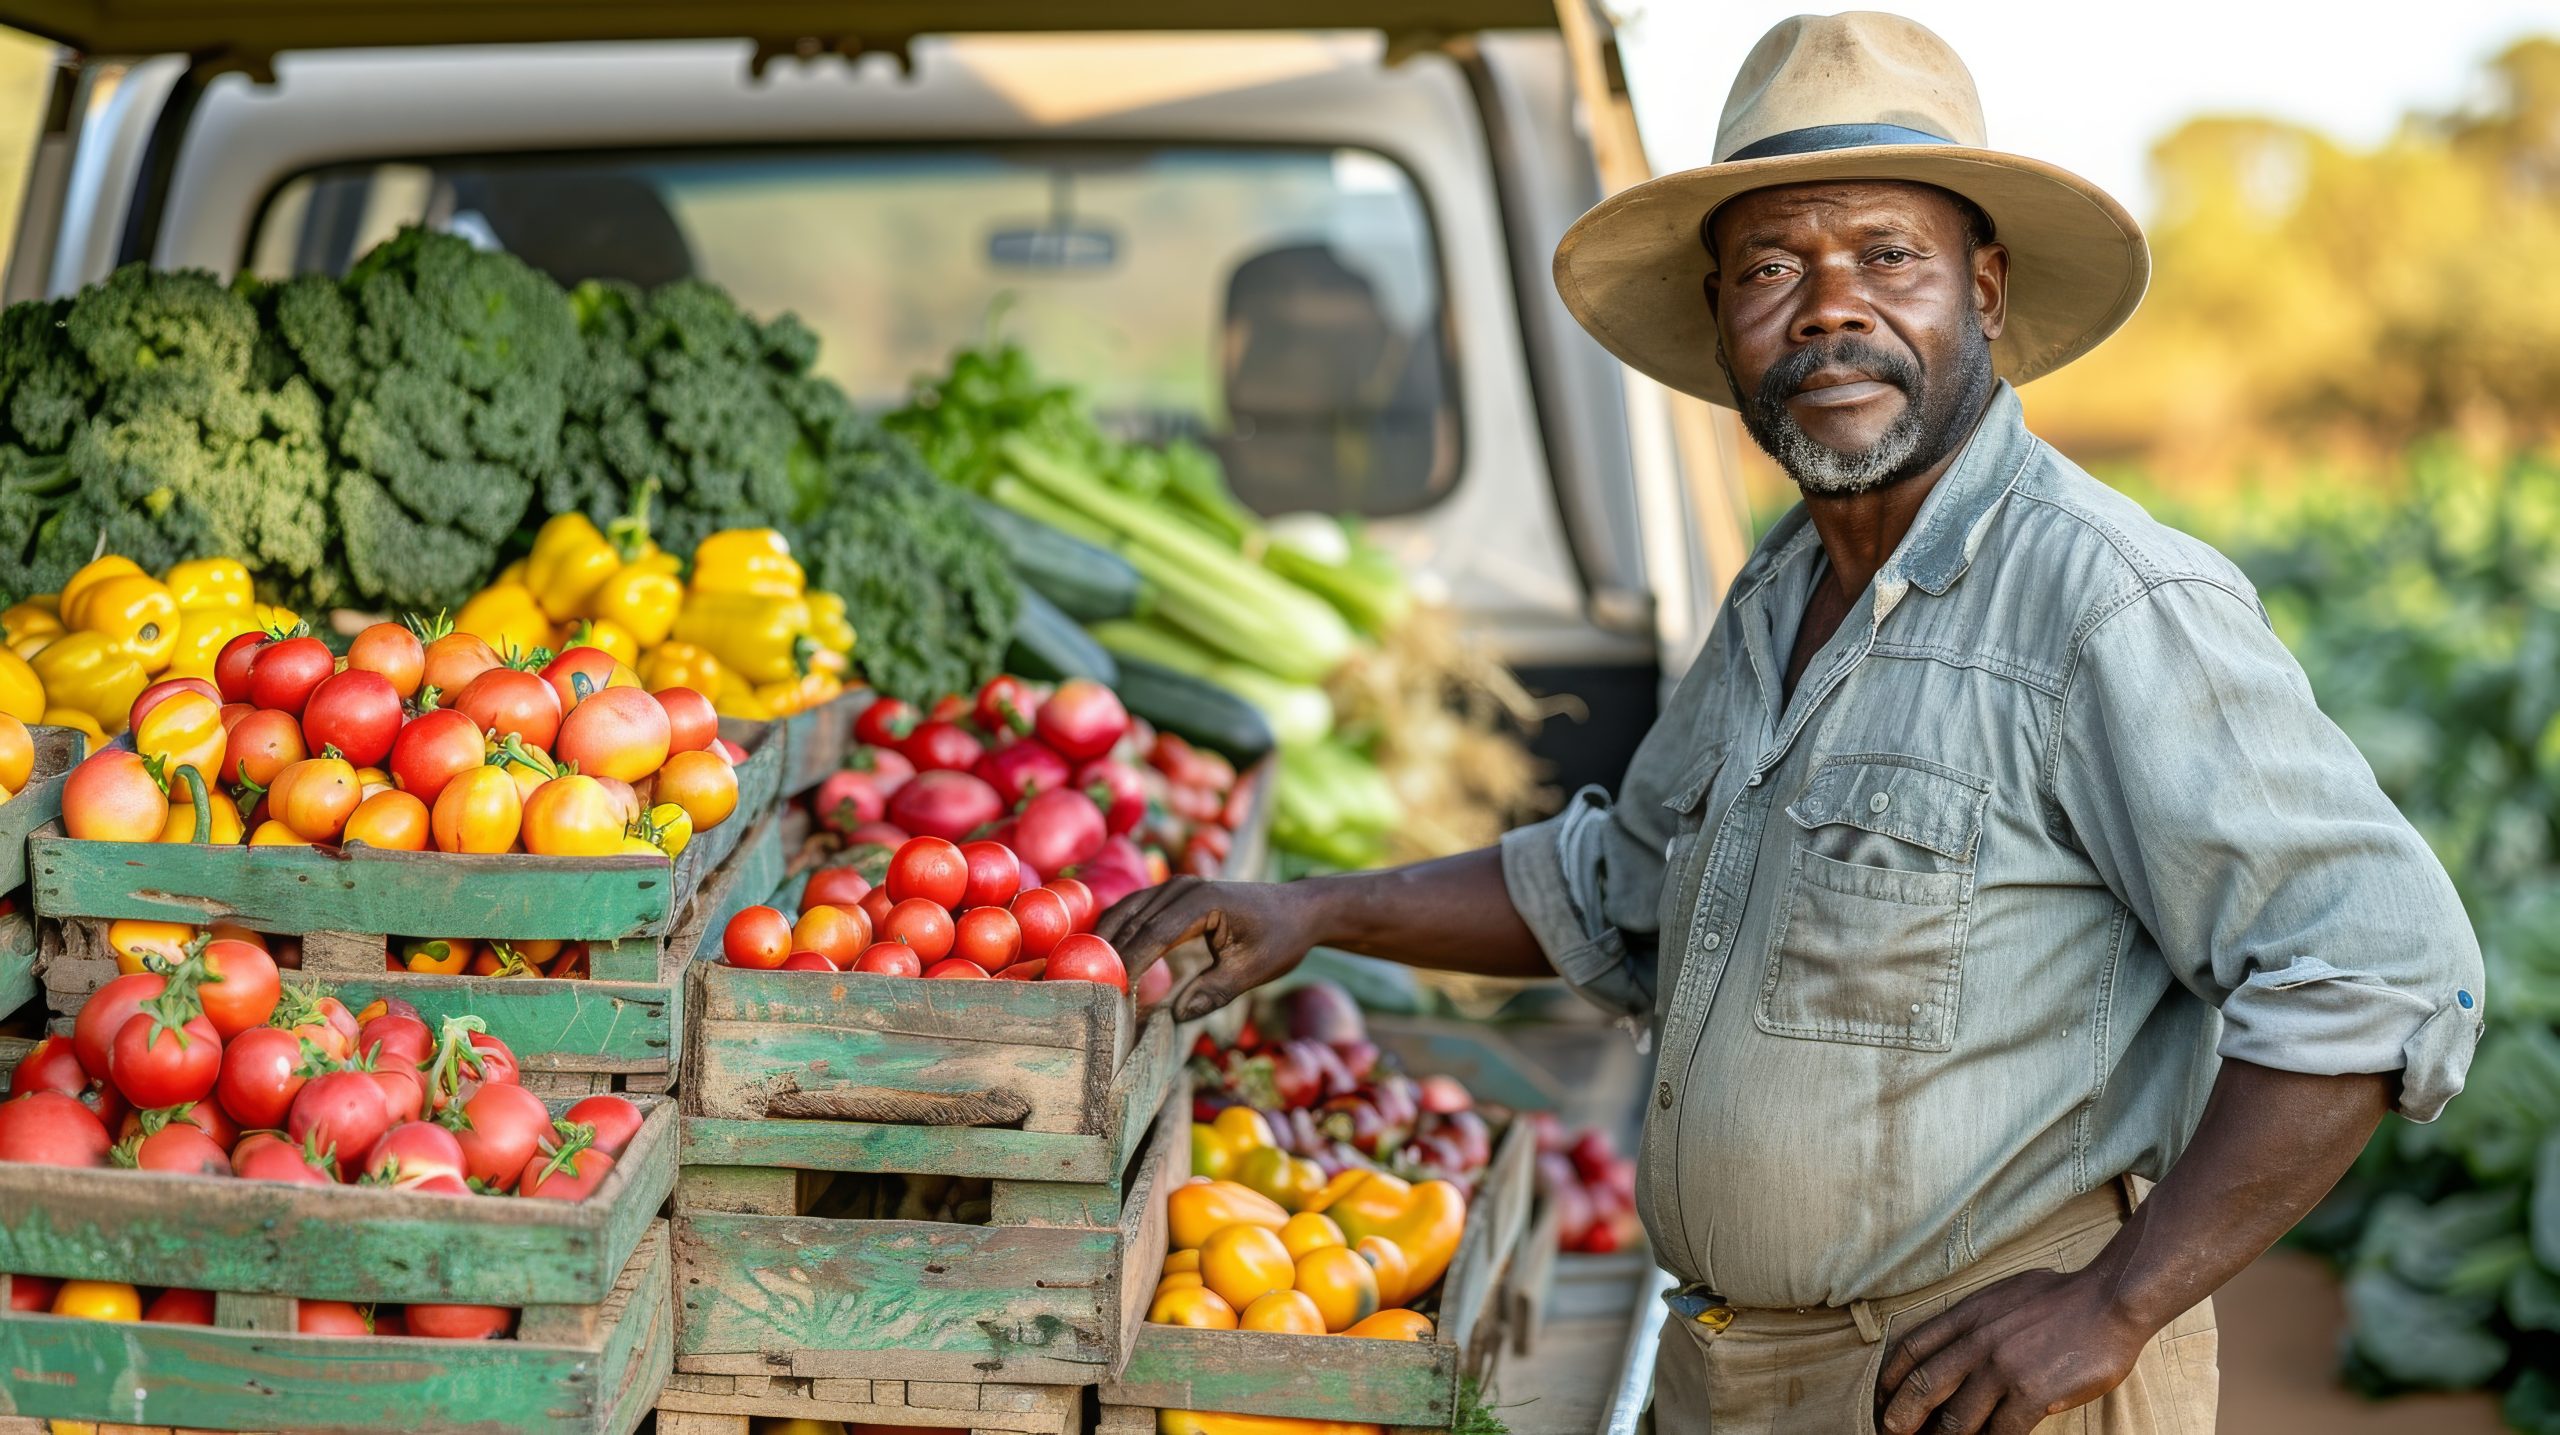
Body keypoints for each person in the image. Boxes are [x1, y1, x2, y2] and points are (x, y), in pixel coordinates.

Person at [1101, 11, 2486, 1433]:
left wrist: (2113, 1305)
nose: (1830, 308)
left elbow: (2380, 974)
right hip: (1737, 1381)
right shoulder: (1780, 590)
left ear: (1985, 287)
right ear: (1720, 316)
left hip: (1980, 1391)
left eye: (1888, 256)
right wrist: (1314, 911)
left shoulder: (2106, 604)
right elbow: (1620, 889)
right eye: (1773, 268)